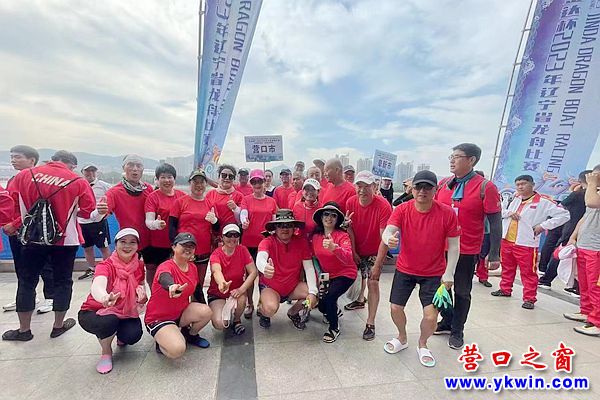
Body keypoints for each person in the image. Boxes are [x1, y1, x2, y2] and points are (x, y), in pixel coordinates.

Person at [3, 150, 98, 342]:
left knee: (27, 282)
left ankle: (24, 330)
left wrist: (14, 223)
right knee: (63, 281)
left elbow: (11, 202)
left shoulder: (25, 175)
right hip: (65, 240)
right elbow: (88, 211)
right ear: (71, 165)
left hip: (32, 237)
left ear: (52, 160)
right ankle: (58, 326)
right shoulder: (78, 181)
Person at [381, 170, 460, 367]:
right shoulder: (402, 209)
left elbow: (454, 245)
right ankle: (402, 337)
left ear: (435, 190)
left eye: (427, 187)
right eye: (418, 187)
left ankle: (423, 343)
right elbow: (389, 230)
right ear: (412, 189)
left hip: (434, 273)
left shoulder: (447, 213)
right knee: (395, 308)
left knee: (431, 316)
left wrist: (449, 273)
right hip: (405, 268)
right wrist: (388, 239)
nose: (422, 191)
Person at [434, 143, 503, 350]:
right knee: (440, 287)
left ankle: (458, 330)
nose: (452, 160)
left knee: (462, 292)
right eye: (451, 156)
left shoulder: (485, 187)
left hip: (466, 249)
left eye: (457, 156)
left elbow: (496, 221)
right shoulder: (444, 184)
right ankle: (447, 320)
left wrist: (494, 253)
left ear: (471, 160)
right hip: (440, 248)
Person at [492, 175, 569, 309]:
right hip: (507, 239)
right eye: (518, 184)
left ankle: (529, 298)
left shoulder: (543, 201)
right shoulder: (513, 197)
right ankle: (505, 289)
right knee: (507, 267)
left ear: (532, 185)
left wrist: (543, 226)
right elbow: (500, 211)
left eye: (523, 184)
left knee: (528, 272)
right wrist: (509, 213)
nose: (520, 187)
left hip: (526, 243)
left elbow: (564, 215)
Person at [78, 228, 147, 374]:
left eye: (132, 242)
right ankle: (106, 351)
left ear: (137, 246)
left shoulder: (139, 265)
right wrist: (104, 297)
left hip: (125, 312)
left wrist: (142, 297)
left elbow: (141, 285)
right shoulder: (106, 265)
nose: (127, 246)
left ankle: (120, 335)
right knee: (108, 322)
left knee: (132, 335)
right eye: (123, 242)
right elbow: (98, 284)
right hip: (95, 311)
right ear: (115, 245)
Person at [2, 145, 55, 314]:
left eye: (18, 157)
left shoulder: (38, 180)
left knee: (44, 264)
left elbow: (36, 207)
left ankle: (51, 297)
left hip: (34, 230)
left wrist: (16, 223)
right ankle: (26, 296)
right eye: (12, 157)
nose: (13, 160)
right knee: (20, 265)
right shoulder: (13, 179)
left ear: (32, 160)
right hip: (14, 231)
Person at [145, 233, 213, 358]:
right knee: (178, 349)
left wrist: (203, 308)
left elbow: (197, 290)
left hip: (180, 313)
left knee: (206, 311)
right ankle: (162, 340)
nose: (188, 249)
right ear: (174, 247)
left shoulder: (192, 267)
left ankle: (190, 335)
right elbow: (164, 277)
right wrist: (171, 286)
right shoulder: (166, 266)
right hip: (159, 318)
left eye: (191, 246)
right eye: (184, 245)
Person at [344, 171, 392, 341]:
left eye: (367, 186)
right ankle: (359, 300)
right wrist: (353, 251)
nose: (362, 190)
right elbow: (349, 228)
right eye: (359, 186)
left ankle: (370, 322)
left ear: (374, 187)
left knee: (373, 281)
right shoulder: (350, 202)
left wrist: (378, 264)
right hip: (357, 247)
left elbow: (384, 237)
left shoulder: (383, 206)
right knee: (352, 277)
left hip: (375, 250)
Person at [256, 210, 318, 329]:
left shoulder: (301, 242)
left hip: (292, 286)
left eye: (288, 225)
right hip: (271, 287)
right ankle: (263, 311)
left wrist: (312, 292)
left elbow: (309, 268)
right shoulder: (267, 242)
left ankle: (293, 312)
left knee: (314, 297)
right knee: (270, 308)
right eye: (280, 225)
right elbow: (260, 258)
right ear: (275, 228)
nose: (285, 229)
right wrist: (265, 267)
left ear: (294, 227)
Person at [170, 169, 219, 303]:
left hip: (203, 250)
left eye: (201, 182)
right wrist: (174, 247)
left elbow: (216, 230)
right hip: (183, 250)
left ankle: (196, 309)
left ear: (206, 184)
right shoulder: (180, 202)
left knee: (198, 284)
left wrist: (215, 221)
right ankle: (180, 309)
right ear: (190, 183)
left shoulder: (210, 204)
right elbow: (172, 227)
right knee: (182, 284)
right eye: (195, 182)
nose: (199, 185)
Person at [311, 202, 357, 342]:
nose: (329, 218)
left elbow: (348, 257)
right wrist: (318, 276)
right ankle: (333, 311)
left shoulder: (342, 236)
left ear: (337, 220)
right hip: (327, 275)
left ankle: (334, 327)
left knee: (329, 297)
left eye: (333, 215)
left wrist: (334, 248)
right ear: (321, 217)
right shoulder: (315, 237)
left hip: (346, 273)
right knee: (321, 305)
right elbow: (313, 258)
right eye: (326, 214)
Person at [539, 170, 591, 291]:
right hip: (584, 231)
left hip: (572, 229)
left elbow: (561, 207)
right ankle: (577, 287)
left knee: (561, 254)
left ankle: (546, 280)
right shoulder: (590, 195)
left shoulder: (578, 194)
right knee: (578, 259)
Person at [96, 154, 154, 258]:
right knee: (129, 268)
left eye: (138, 165)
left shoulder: (148, 189)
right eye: (130, 165)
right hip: (128, 242)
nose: (135, 169)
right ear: (124, 168)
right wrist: (99, 212)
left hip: (149, 241)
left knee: (151, 267)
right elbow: (99, 215)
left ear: (142, 169)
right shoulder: (114, 192)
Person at [567, 167, 600, 336]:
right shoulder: (594, 192)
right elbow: (586, 216)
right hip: (585, 245)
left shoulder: (593, 193)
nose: (591, 177)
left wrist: (592, 183)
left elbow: (591, 203)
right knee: (584, 283)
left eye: (595, 174)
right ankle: (586, 311)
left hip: (597, 249)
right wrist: (573, 236)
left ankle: (597, 322)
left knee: (596, 287)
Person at [240, 169, 278, 318]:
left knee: (264, 276)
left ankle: (262, 304)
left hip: (266, 244)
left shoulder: (271, 201)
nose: (257, 184)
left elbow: (274, 221)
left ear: (264, 182)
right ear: (251, 183)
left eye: (259, 181)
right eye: (254, 181)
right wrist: (244, 221)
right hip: (248, 244)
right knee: (249, 275)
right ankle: (249, 303)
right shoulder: (246, 199)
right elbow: (243, 214)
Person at [208, 224, 258, 335]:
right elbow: (216, 270)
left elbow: (253, 272)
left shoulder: (242, 250)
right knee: (220, 324)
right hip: (217, 293)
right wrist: (222, 283)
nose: (232, 238)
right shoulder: (216, 254)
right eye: (229, 235)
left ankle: (236, 319)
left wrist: (241, 289)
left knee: (241, 299)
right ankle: (225, 312)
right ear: (223, 237)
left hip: (236, 291)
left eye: (236, 235)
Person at [144, 163, 186, 287]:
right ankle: (153, 295)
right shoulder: (152, 197)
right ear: (157, 180)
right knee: (153, 274)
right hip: (155, 244)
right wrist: (156, 224)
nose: (167, 180)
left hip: (175, 244)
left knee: (174, 275)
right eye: (163, 177)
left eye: (169, 177)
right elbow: (148, 221)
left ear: (174, 179)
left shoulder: (182, 196)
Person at [77, 165, 112, 280]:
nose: (90, 173)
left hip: (98, 222)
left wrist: (109, 212)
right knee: (87, 247)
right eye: (87, 171)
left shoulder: (104, 185)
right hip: (82, 222)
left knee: (103, 247)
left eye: (92, 171)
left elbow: (113, 198)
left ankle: (108, 270)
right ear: (82, 172)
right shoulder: (78, 184)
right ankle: (92, 269)